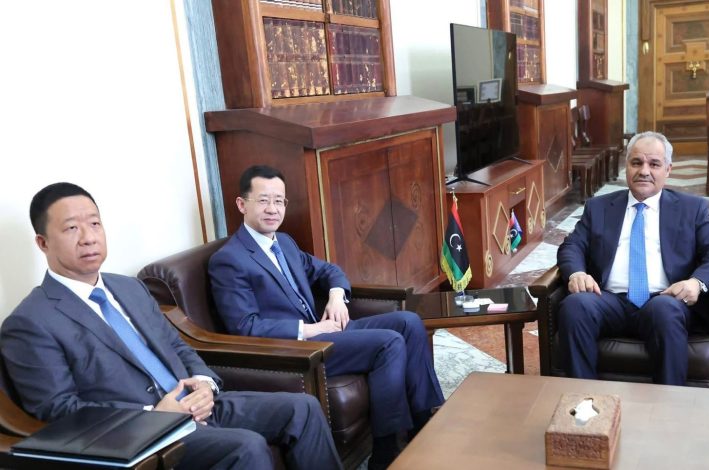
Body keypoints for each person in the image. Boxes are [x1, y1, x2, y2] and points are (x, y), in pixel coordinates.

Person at [1, 182, 343, 470]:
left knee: (303, 408)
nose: (88, 237)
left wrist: (205, 384)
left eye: (94, 224)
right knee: (247, 446)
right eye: (71, 228)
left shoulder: (128, 288)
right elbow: (60, 411)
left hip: (198, 404)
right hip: (143, 435)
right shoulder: (30, 322)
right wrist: (153, 415)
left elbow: (177, 345)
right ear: (43, 243)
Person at [208, 165, 445, 469]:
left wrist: (336, 296)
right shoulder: (229, 260)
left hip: (326, 330)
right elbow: (245, 327)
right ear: (242, 204)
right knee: (388, 343)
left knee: (408, 322)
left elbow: (329, 271)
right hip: (298, 349)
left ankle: (425, 423)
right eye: (263, 200)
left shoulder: (284, 243)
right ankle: (387, 451)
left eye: (279, 201)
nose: (273, 209)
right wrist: (309, 330)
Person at [556, 131, 709, 386]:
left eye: (654, 164)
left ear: (668, 170)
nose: (644, 171)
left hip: (664, 299)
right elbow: (572, 245)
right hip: (609, 300)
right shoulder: (598, 207)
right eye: (636, 162)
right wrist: (576, 273)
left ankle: (669, 402)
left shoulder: (691, 209)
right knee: (576, 305)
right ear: (626, 166)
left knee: (665, 310)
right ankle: (585, 398)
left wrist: (696, 283)